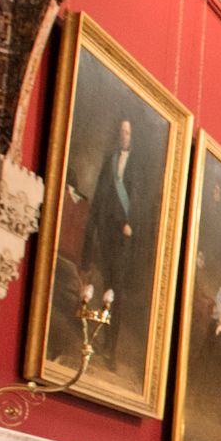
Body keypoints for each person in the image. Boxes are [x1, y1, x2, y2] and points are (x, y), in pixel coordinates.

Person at [79, 116, 136, 302]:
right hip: (106, 217)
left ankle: (110, 304)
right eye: (121, 132)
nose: (124, 136)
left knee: (115, 268)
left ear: (131, 136)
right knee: (102, 260)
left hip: (122, 223)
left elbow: (136, 197)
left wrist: (129, 222)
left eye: (127, 132)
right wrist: (95, 216)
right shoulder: (109, 159)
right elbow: (101, 188)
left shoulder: (135, 166)